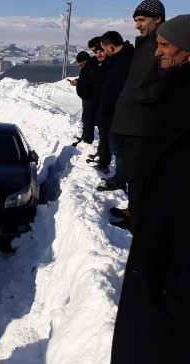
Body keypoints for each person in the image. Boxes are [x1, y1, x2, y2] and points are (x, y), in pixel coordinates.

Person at [109, 14, 190, 364]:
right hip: (162, 213)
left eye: (165, 45)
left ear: (187, 51)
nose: (159, 52)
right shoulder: (173, 84)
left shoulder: (180, 94)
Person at [105, 0, 166, 230]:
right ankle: (133, 210)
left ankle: (138, 221)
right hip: (133, 122)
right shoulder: (145, 42)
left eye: (141, 20)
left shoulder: (162, 42)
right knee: (133, 172)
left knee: (139, 175)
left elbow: (165, 81)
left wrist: (139, 96)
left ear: (157, 18)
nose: (137, 26)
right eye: (136, 21)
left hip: (144, 123)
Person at [94, 31, 134, 180]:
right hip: (113, 115)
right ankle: (119, 178)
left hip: (116, 116)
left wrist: (106, 110)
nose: (102, 53)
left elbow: (117, 91)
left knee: (119, 150)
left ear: (110, 47)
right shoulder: (120, 59)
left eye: (103, 49)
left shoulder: (122, 63)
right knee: (117, 149)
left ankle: (120, 180)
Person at [69, 50, 96, 146]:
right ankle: (85, 136)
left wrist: (78, 83)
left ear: (84, 60)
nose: (80, 65)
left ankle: (87, 140)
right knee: (85, 119)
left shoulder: (91, 67)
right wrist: (78, 81)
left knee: (88, 119)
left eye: (80, 64)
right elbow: (85, 80)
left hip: (90, 98)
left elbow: (91, 81)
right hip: (86, 97)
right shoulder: (88, 67)